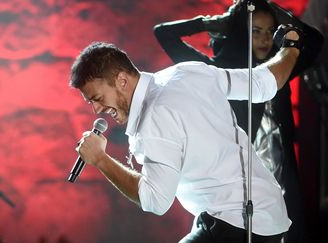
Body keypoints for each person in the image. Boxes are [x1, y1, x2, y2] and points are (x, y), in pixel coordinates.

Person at [69, 24, 301, 242]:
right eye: (91, 102)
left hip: (236, 222)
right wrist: (291, 47)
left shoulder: (154, 117)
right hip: (268, 213)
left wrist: (100, 159)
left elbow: (155, 200)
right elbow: (263, 84)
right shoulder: (188, 72)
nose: (97, 109)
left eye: (97, 98)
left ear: (121, 80)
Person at [152, 0, 323, 242]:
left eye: (269, 32)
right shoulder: (220, 74)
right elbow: (164, 34)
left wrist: (269, 7)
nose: (264, 40)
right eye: (255, 31)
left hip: (279, 184)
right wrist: (213, 23)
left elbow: (314, 40)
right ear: (242, 31)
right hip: (233, 192)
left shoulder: (279, 72)